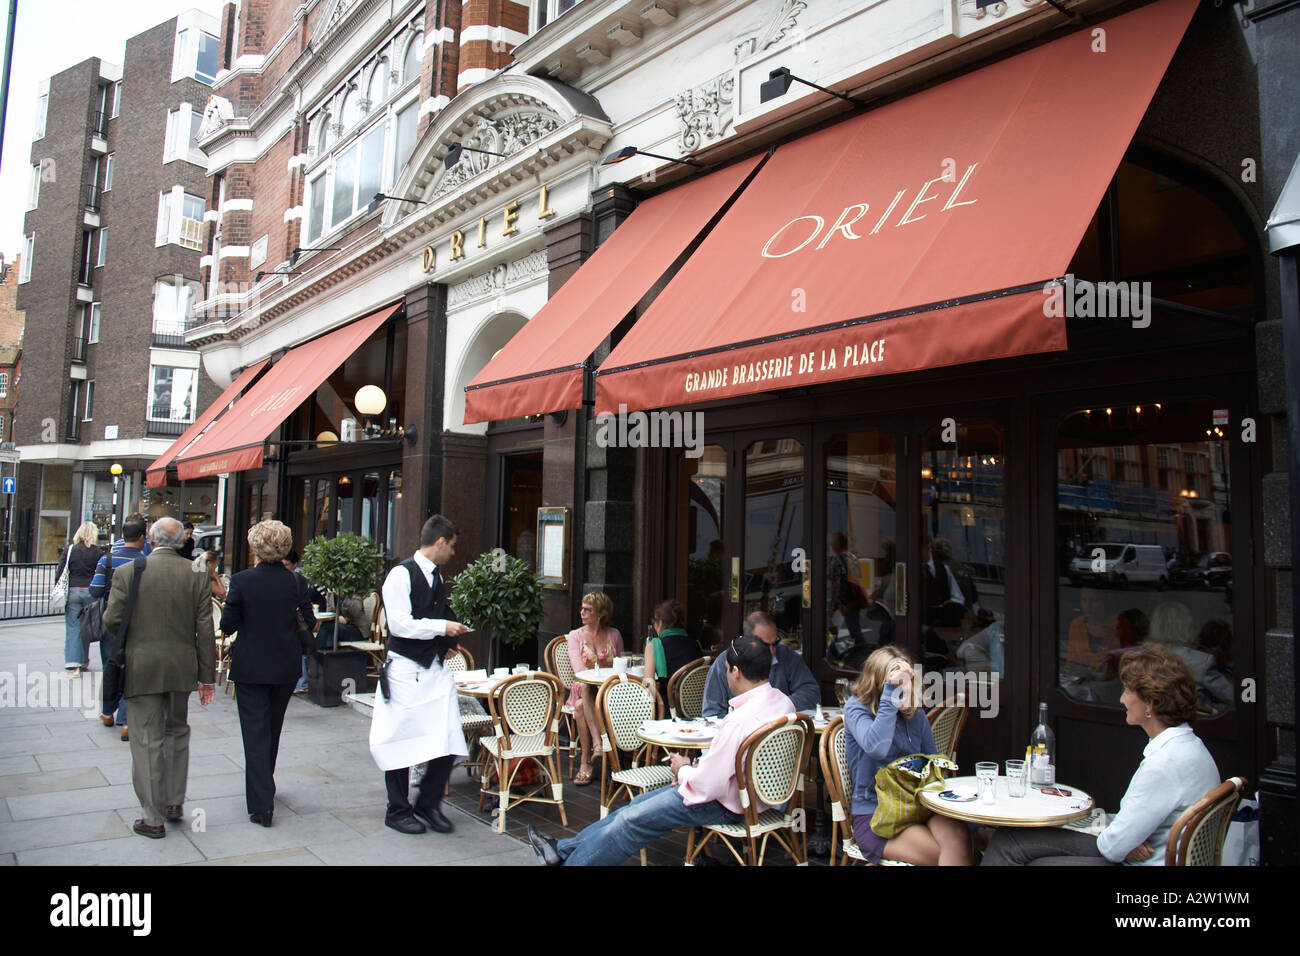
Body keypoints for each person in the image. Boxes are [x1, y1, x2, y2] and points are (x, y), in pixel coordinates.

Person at [526, 634, 794, 867]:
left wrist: (683, 768)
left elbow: (706, 785)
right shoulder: (783, 704)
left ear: (735, 672)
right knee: (634, 806)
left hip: (726, 804)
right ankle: (560, 851)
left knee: (632, 822)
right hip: (758, 798)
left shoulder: (739, 720)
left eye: (725, 669)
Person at [982, 644, 1220, 865]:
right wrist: (1118, 834)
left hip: (1141, 862)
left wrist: (1117, 837)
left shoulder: (1165, 764)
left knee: (1009, 842)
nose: (1121, 699)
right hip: (1155, 855)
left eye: (1127, 691)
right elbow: (1125, 832)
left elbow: (1113, 847)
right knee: (1012, 838)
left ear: (1150, 703)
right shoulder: (1191, 748)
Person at [102, 516, 215, 839]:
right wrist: (207, 677)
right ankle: (173, 803)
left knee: (147, 740)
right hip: (182, 668)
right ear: (180, 542)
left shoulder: (127, 573)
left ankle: (152, 818)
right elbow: (205, 628)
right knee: (177, 732)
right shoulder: (195, 574)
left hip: (142, 668)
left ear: (150, 540)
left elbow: (112, 622)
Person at [370, 514, 469, 835]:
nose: (453, 553)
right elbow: (399, 624)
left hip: (433, 670)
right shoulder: (400, 575)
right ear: (440, 542)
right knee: (400, 738)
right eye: (452, 547)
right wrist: (441, 628)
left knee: (449, 735)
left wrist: (448, 641)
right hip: (404, 670)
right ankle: (397, 810)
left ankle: (428, 803)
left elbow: (437, 613)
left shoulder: (436, 576)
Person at [219, 520, 316, 826]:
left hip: (251, 667)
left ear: (256, 547)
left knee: (255, 734)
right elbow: (310, 621)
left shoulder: (243, 581)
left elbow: (227, 625)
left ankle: (261, 804)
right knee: (271, 730)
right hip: (285, 667)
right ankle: (265, 788)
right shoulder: (296, 583)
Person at [843, 646, 973, 865]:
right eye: (897, 683)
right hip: (877, 816)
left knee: (959, 836)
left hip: (918, 808)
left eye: (908, 680)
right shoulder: (857, 709)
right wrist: (890, 697)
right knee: (947, 854)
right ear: (879, 684)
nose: (905, 688)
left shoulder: (916, 716)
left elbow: (933, 766)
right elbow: (877, 747)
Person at [88, 515, 148, 739]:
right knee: (131, 670)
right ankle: (126, 722)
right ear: (142, 537)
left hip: (110, 622)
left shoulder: (107, 560)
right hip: (137, 623)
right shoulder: (145, 563)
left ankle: (107, 712)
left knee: (110, 666)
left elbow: (94, 591)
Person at [701, 611, 818, 717]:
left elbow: (811, 692)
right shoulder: (725, 662)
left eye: (775, 643)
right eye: (765, 645)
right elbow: (712, 712)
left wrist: (779, 707)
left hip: (781, 732)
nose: (772, 651)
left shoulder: (785, 655)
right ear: (748, 641)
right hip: (741, 733)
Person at [565, 591, 623, 786]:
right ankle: (597, 748)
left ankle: (586, 762)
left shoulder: (613, 635)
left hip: (608, 691)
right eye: (581, 608)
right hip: (583, 687)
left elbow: (621, 664)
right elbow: (578, 670)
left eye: (588, 609)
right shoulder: (575, 636)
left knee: (582, 706)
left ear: (600, 614)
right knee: (584, 696)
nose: (582, 612)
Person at [58, 521, 102, 675]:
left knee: (73, 627)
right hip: (90, 592)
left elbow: (61, 571)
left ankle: (73, 661)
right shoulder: (98, 552)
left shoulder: (70, 550)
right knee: (86, 627)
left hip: (73, 591)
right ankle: (83, 661)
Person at [642, 599, 703, 701]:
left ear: (660, 623)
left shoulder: (653, 646)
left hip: (669, 707)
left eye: (654, 622)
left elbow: (649, 685)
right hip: (695, 705)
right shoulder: (696, 644)